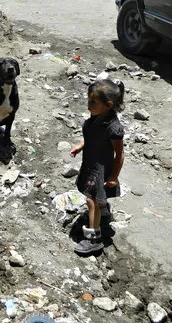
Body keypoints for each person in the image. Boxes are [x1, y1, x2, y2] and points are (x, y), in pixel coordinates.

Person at [69, 79, 125, 256]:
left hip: (101, 169)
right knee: (95, 198)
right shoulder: (97, 118)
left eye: (93, 102)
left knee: (91, 200)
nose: (88, 106)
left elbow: (119, 154)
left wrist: (114, 177)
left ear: (108, 105)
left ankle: (93, 240)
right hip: (90, 163)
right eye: (88, 101)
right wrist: (81, 145)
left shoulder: (113, 128)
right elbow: (93, 136)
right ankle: (104, 212)